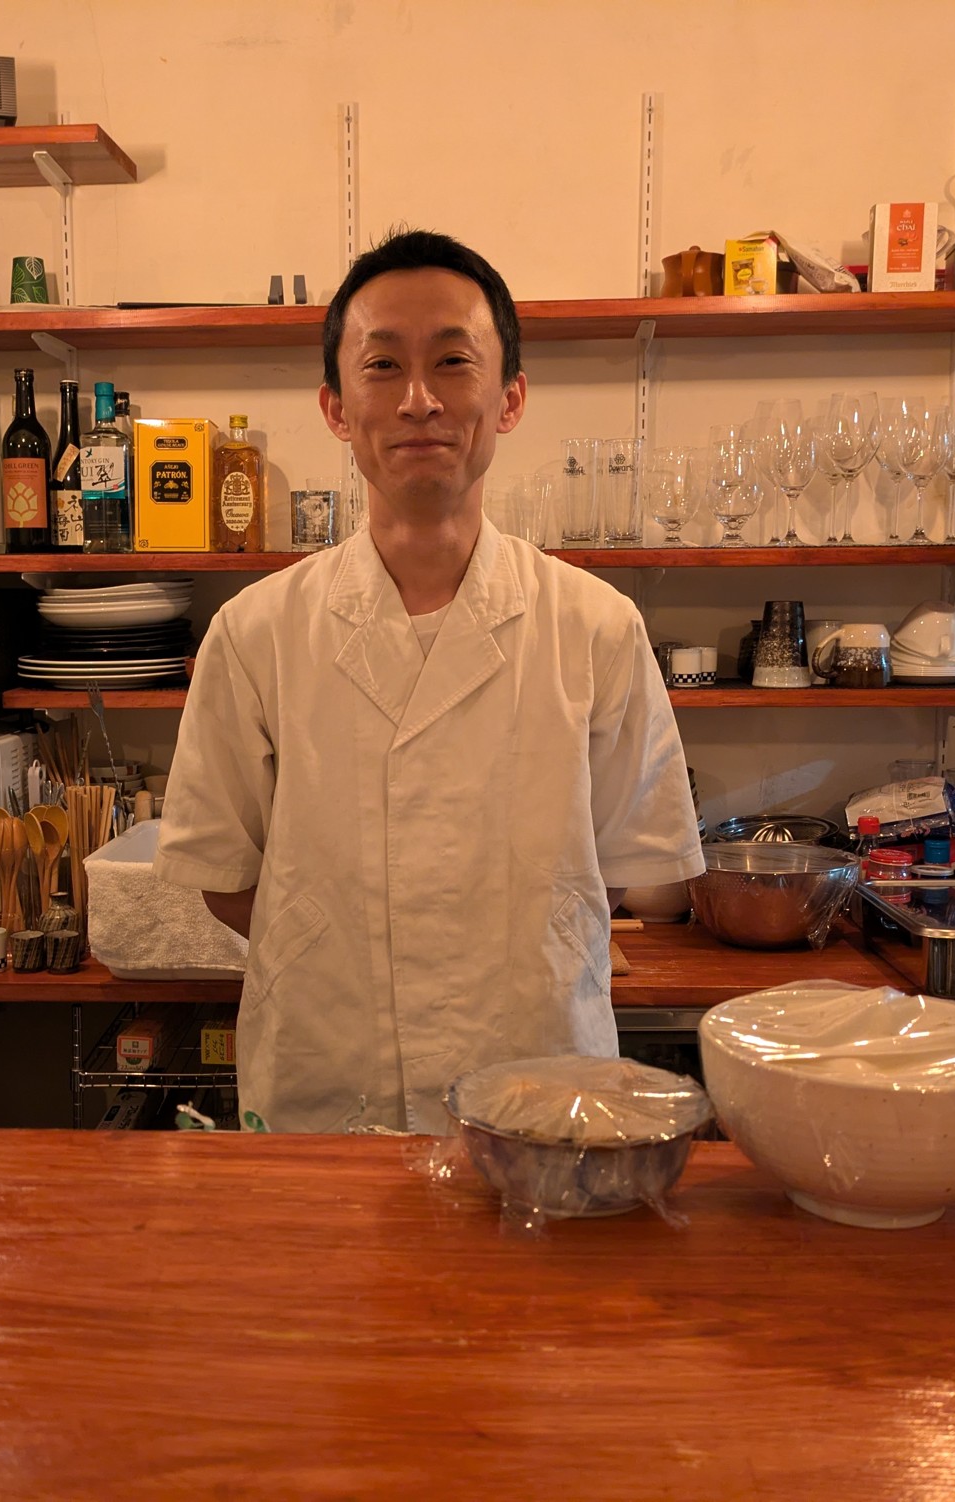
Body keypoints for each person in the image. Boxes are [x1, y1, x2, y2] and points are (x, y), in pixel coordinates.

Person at [153, 229, 702, 1133]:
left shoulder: (595, 627)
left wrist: (493, 947)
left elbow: (624, 874)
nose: (418, 400)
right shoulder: (255, 634)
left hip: (535, 1070)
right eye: (382, 366)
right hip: (329, 1069)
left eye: (453, 361)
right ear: (336, 407)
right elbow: (223, 872)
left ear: (510, 396)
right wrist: (347, 950)